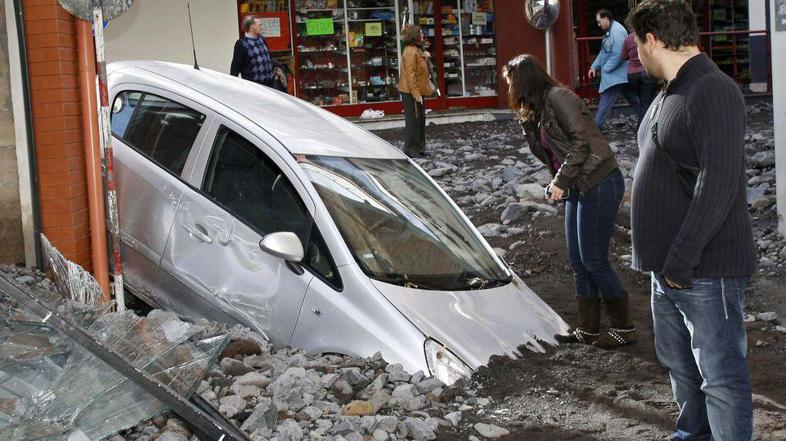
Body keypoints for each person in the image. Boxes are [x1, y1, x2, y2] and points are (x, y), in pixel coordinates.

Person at [627, 1, 757, 440]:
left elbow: (718, 185)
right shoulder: (670, 89)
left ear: (652, 41)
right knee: (682, 369)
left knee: (720, 377)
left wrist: (681, 260)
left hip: (705, 269)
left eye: (636, 46)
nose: (636, 56)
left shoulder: (713, 90)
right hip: (669, 269)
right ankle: (693, 434)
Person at [503, 54, 638, 349]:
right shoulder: (537, 109)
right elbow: (548, 155)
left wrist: (560, 181)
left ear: (523, 80)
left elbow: (582, 141)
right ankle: (588, 328)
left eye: (510, 82)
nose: (508, 89)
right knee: (578, 261)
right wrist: (528, 126)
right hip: (577, 183)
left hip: (599, 181)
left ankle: (624, 327)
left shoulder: (559, 97)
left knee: (593, 259)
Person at [589, 9, 639, 129]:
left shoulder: (616, 32)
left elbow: (618, 54)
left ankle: (595, 128)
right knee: (632, 98)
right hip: (620, 74)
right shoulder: (613, 30)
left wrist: (604, 68)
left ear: (606, 18)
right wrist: (594, 66)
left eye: (599, 21)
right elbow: (605, 52)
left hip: (615, 75)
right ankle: (647, 119)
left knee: (605, 101)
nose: (598, 24)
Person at [398, 25, 434, 157]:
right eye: (420, 33)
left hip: (417, 90)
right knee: (413, 120)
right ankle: (411, 150)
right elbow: (410, 75)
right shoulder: (409, 51)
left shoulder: (416, 49)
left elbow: (419, 68)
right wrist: (416, 94)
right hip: (410, 91)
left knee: (420, 119)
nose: (423, 35)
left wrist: (425, 57)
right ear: (414, 35)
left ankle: (419, 147)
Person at [622, 30, 659, 127]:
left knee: (643, 101)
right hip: (647, 71)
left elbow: (624, 56)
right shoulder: (649, 36)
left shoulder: (628, 38)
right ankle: (642, 128)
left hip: (632, 74)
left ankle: (645, 124)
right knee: (647, 102)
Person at [230, 16, 274, 87]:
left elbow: (268, 58)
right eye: (259, 25)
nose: (261, 27)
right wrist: (232, 84)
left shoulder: (262, 39)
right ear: (252, 27)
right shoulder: (241, 44)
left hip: (270, 83)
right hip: (254, 86)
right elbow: (235, 66)